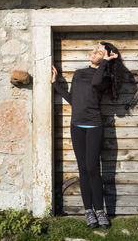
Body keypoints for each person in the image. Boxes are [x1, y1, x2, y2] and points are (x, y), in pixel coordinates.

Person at [51, 41, 125, 229]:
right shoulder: (79, 73)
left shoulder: (105, 78)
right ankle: (88, 212)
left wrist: (105, 63)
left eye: (99, 51)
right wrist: (55, 83)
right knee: (83, 169)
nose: (93, 51)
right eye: (94, 48)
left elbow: (96, 82)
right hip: (76, 126)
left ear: (107, 56)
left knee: (93, 169)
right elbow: (73, 99)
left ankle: (100, 211)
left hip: (93, 126)